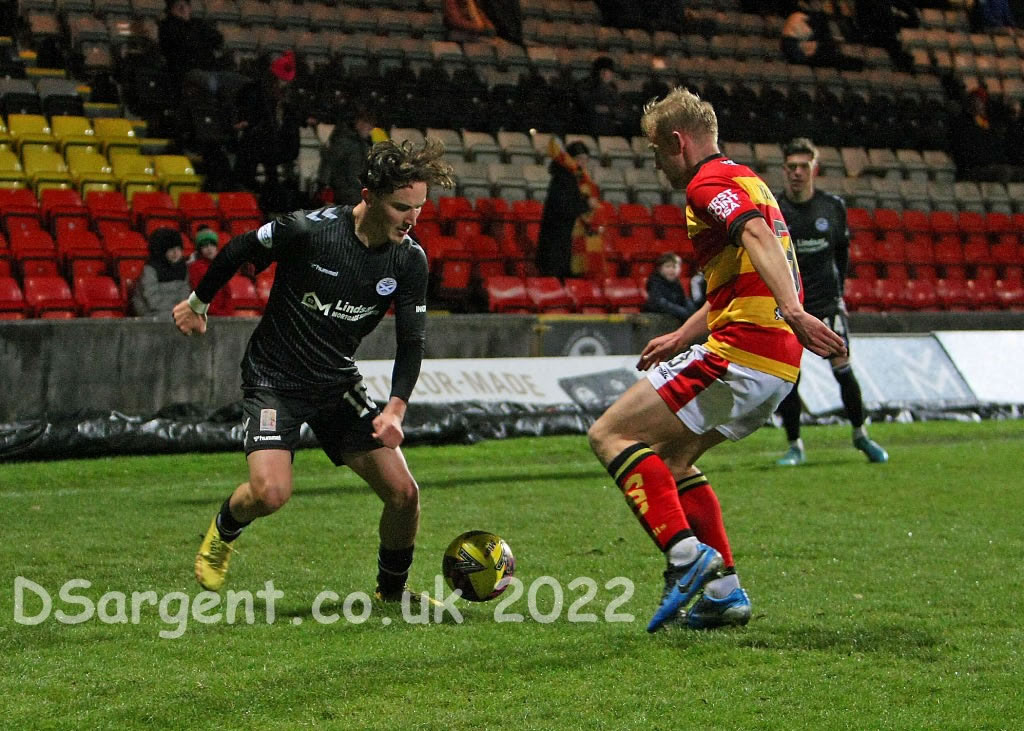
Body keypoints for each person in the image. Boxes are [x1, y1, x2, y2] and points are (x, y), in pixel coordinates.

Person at [586, 88, 847, 632]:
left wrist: (795, 310)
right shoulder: (747, 179)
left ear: (677, 141)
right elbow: (740, 276)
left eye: (656, 151)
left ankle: (686, 558)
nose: (657, 163)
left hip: (742, 351)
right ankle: (725, 594)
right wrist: (682, 336)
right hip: (775, 364)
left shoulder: (705, 185)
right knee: (672, 462)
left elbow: (755, 235)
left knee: (609, 434)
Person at [173, 139, 455, 602]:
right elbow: (239, 248)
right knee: (270, 494)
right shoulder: (308, 230)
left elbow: (412, 342)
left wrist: (395, 409)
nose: (412, 219)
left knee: (404, 493)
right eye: (402, 207)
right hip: (274, 381)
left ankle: (392, 593)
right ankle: (225, 528)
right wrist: (197, 303)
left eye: (419, 207)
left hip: (336, 384)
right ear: (369, 197)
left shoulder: (409, 260)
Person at [773, 137, 888, 466]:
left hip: (826, 303)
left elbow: (842, 253)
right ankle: (794, 445)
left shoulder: (832, 206)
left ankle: (861, 435)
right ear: (784, 170)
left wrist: (838, 294)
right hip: (791, 307)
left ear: (815, 169)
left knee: (842, 368)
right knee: (789, 378)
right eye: (791, 167)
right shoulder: (774, 209)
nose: (797, 172)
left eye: (803, 166)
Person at [536, 140, 605, 279]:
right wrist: (587, 204)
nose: (582, 162)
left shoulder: (578, 178)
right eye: (579, 158)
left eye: (585, 159)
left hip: (568, 242)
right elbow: (564, 207)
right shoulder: (563, 178)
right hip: (558, 244)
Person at [317, 105, 377, 207]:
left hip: (355, 192)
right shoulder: (344, 142)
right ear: (359, 123)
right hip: (346, 194)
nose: (371, 128)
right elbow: (329, 165)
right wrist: (325, 189)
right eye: (368, 124)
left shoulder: (362, 142)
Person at [133, 227, 190, 316]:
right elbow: (152, 300)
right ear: (161, 251)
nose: (176, 252)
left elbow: (185, 295)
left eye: (178, 248)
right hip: (152, 314)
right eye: (171, 249)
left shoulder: (182, 268)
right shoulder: (150, 270)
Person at [186, 227, 232, 316]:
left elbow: (227, 294)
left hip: (223, 316)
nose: (209, 248)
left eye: (212, 245)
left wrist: (227, 313)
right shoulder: (194, 268)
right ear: (200, 249)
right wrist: (216, 313)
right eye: (205, 246)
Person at [643, 252, 697, 323]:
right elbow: (659, 303)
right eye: (667, 266)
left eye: (674, 267)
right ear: (660, 269)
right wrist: (683, 313)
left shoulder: (676, 282)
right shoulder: (654, 281)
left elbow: (682, 299)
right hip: (656, 318)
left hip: (674, 313)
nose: (671, 270)